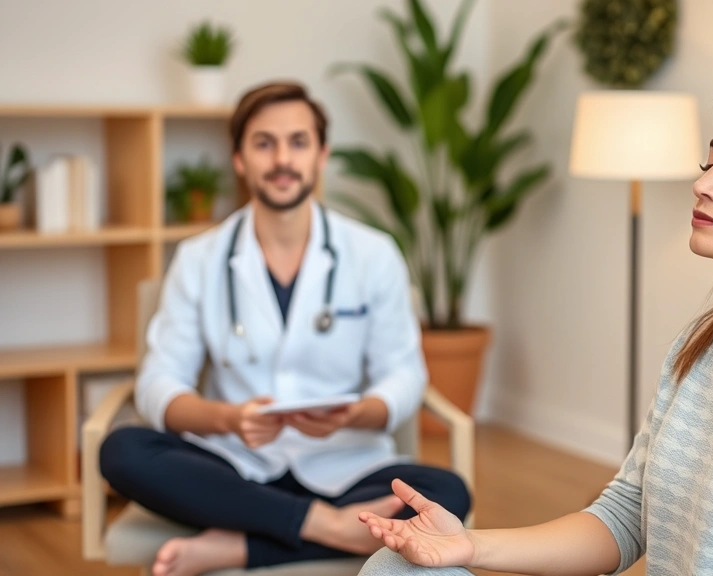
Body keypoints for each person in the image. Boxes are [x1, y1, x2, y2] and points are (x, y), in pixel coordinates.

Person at [355, 61, 713, 576]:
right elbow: (623, 517)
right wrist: (466, 545)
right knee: (398, 568)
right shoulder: (706, 346)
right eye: (708, 161)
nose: (703, 184)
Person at [98, 81, 471, 576]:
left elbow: (403, 376)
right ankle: (327, 528)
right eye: (263, 143)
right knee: (123, 449)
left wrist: (355, 414)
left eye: (298, 142)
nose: (282, 159)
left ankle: (241, 546)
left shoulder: (373, 253)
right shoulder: (199, 259)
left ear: (321, 155)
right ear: (239, 158)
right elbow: (158, 385)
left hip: (346, 463)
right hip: (237, 468)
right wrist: (229, 420)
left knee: (449, 493)